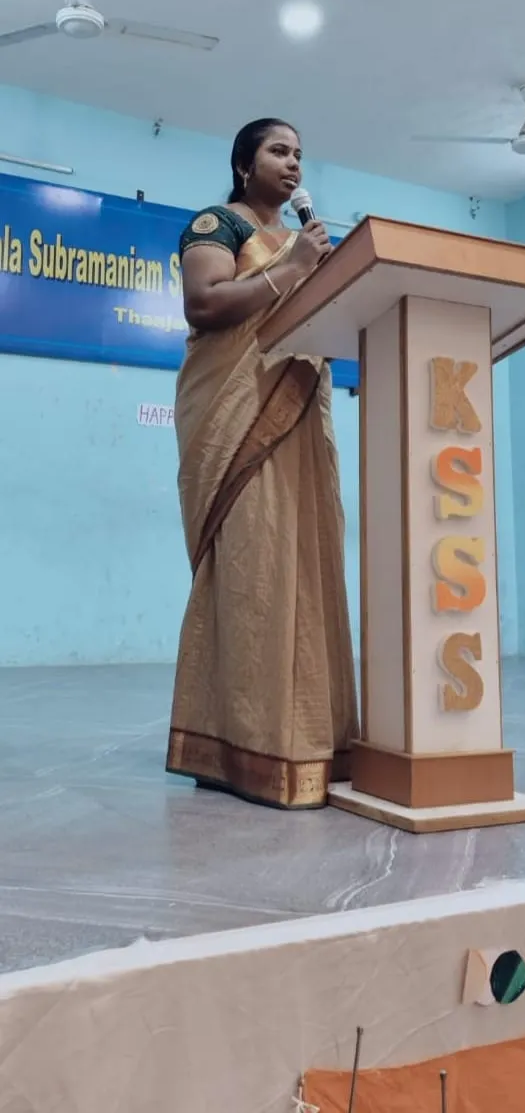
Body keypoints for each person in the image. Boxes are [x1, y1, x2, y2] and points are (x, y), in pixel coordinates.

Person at [166, 118, 359, 809]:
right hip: (236, 420)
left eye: (299, 153)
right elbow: (203, 303)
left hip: (299, 420)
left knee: (305, 563)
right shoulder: (218, 224)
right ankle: (233, 742)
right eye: (279, 150)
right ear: (244, 165)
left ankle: (309, 737)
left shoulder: (302, 244)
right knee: (252, 564)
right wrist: (293, 268)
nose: (293, 162)